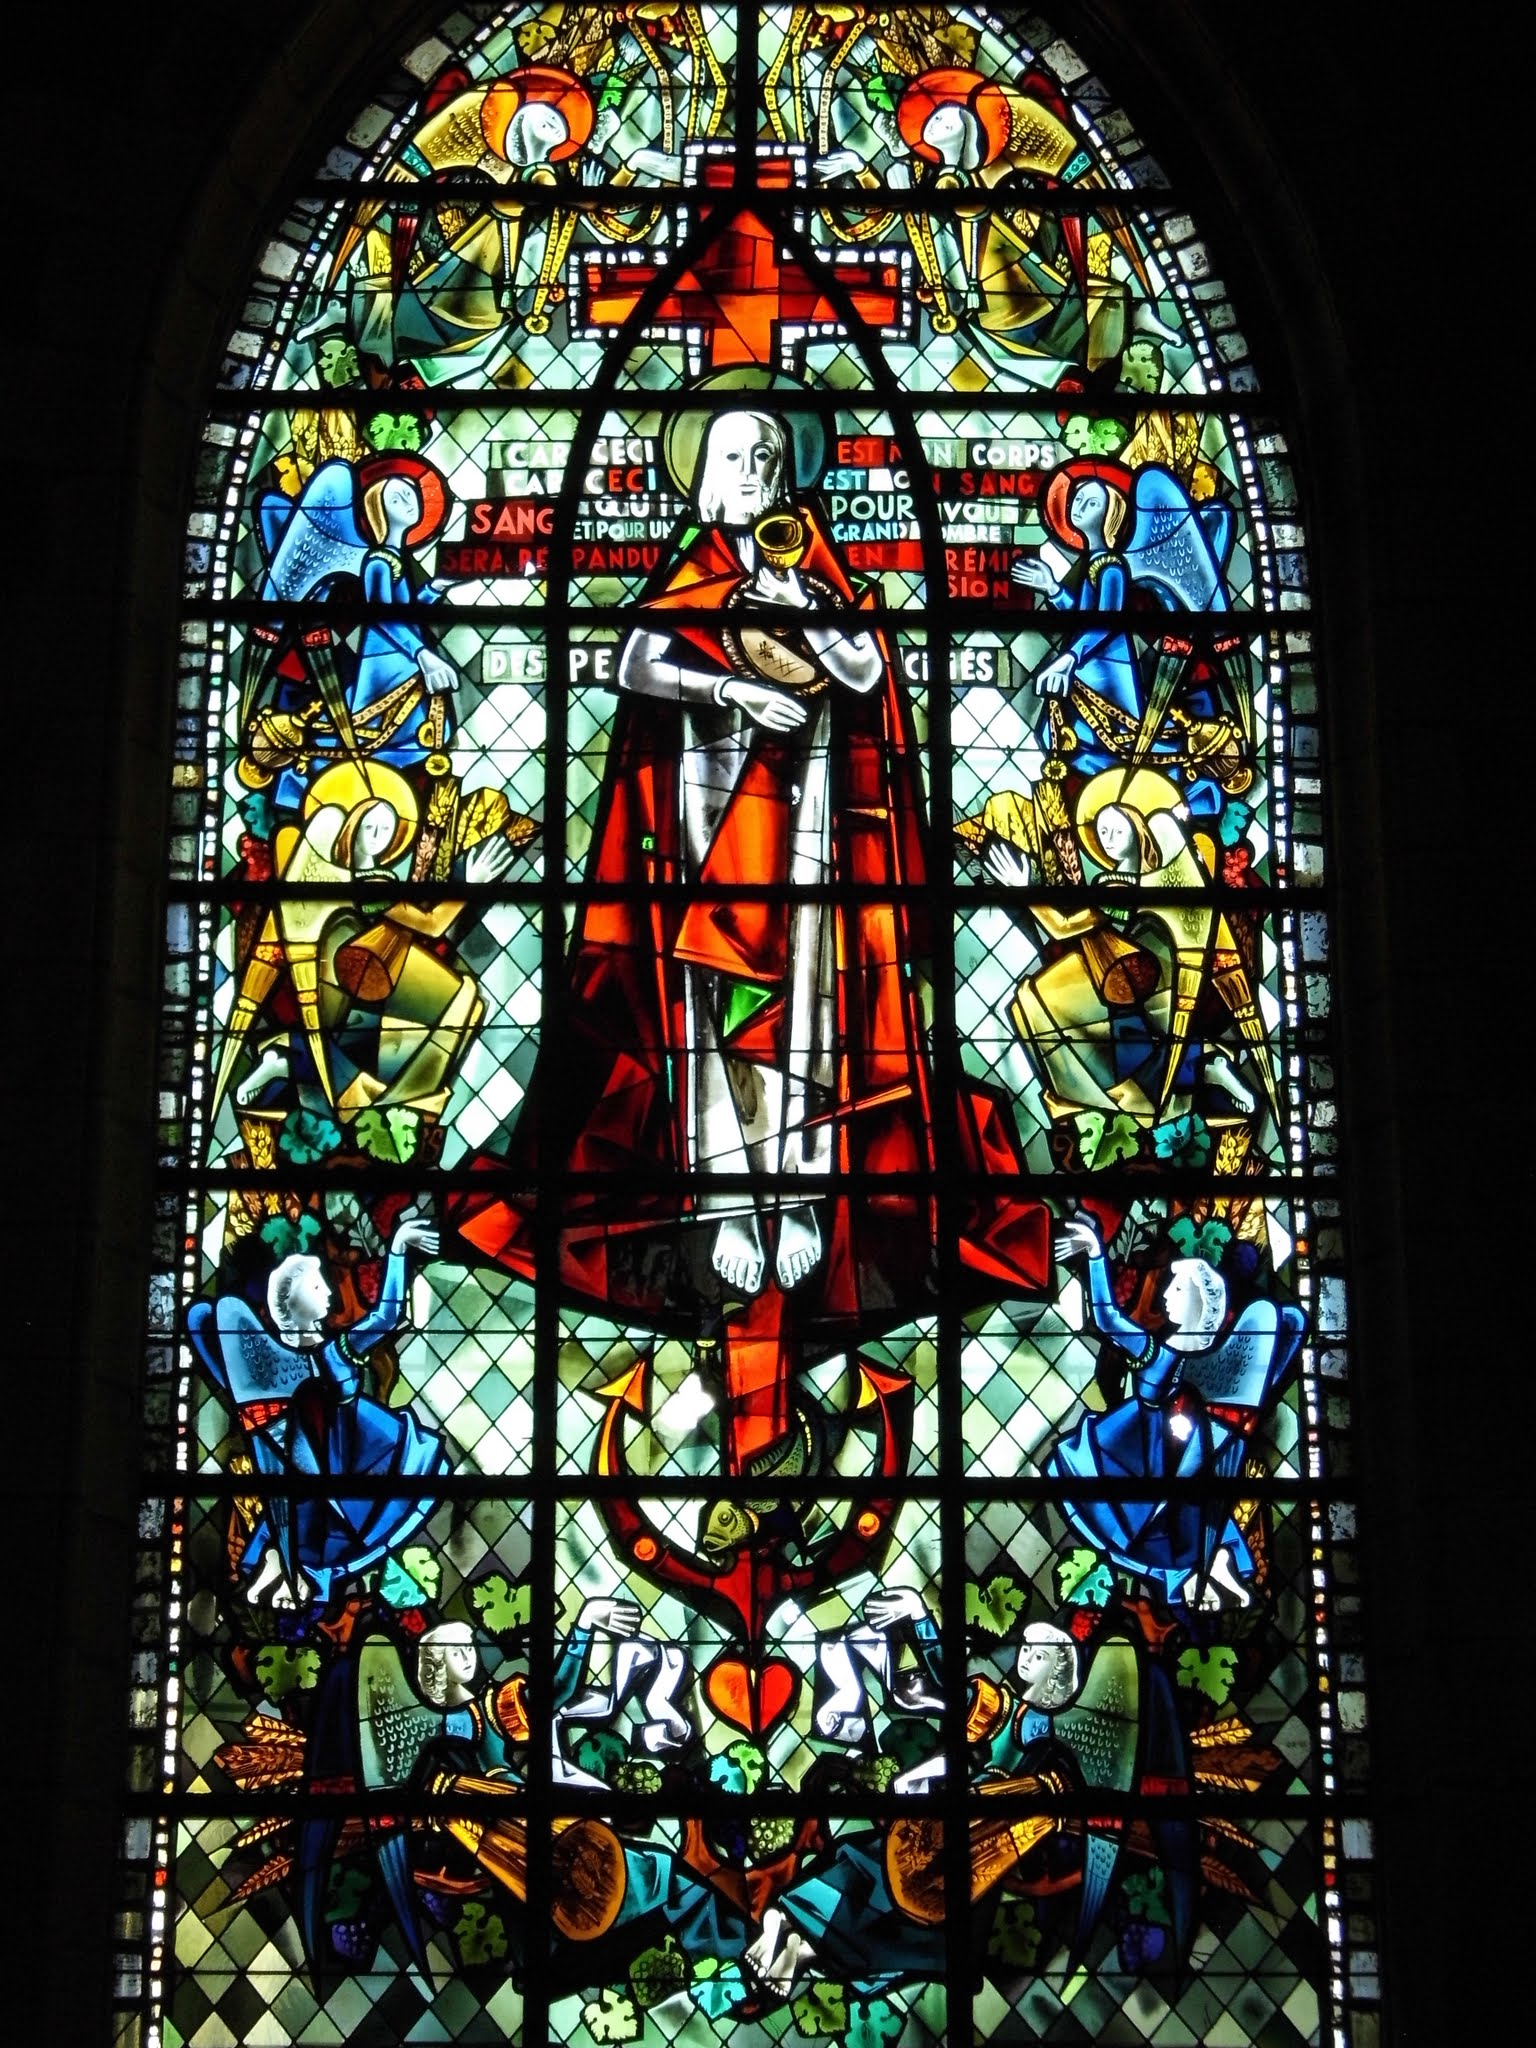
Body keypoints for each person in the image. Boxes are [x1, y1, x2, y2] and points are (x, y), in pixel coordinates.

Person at [455, 401, 1049, 1478]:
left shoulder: (812, 576)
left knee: (812, 1015)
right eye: (734, 456)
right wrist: (729, 684)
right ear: (701, 476)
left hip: (811, 831)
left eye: (769, 457)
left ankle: (803, 1198)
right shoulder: (687, 577)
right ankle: (729, 1200)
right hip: (702, 824)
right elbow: (635, 662)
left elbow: (866, 679)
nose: (754, 473)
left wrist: (805, 603)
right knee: (706, 1013)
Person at [187, 1208, 451, 1607]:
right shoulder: (307, 1360)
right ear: (291, 1303)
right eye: (315, 1285)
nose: (327, 1290)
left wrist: (398, 1251)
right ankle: (283, 1563)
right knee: (320, 1518)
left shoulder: (335, 1348)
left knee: (370, 1503)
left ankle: (283, 1563)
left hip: (355, 1452)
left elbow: (387, 1316)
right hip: (325, 1462)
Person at [1046, 1214, 1304, 1608]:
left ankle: (1210, 1567)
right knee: (1097, 1492)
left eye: (1178, 1287)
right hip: (1138, 1450)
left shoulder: (1179, 1359)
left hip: (1165, 1461)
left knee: (1145, 1521)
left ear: (1200, 1299)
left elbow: (1223, 1425)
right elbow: (1107, 1318)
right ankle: (1209, 1567)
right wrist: (1096, 1256)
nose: (1166, 1293)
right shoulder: (1157, 1349)